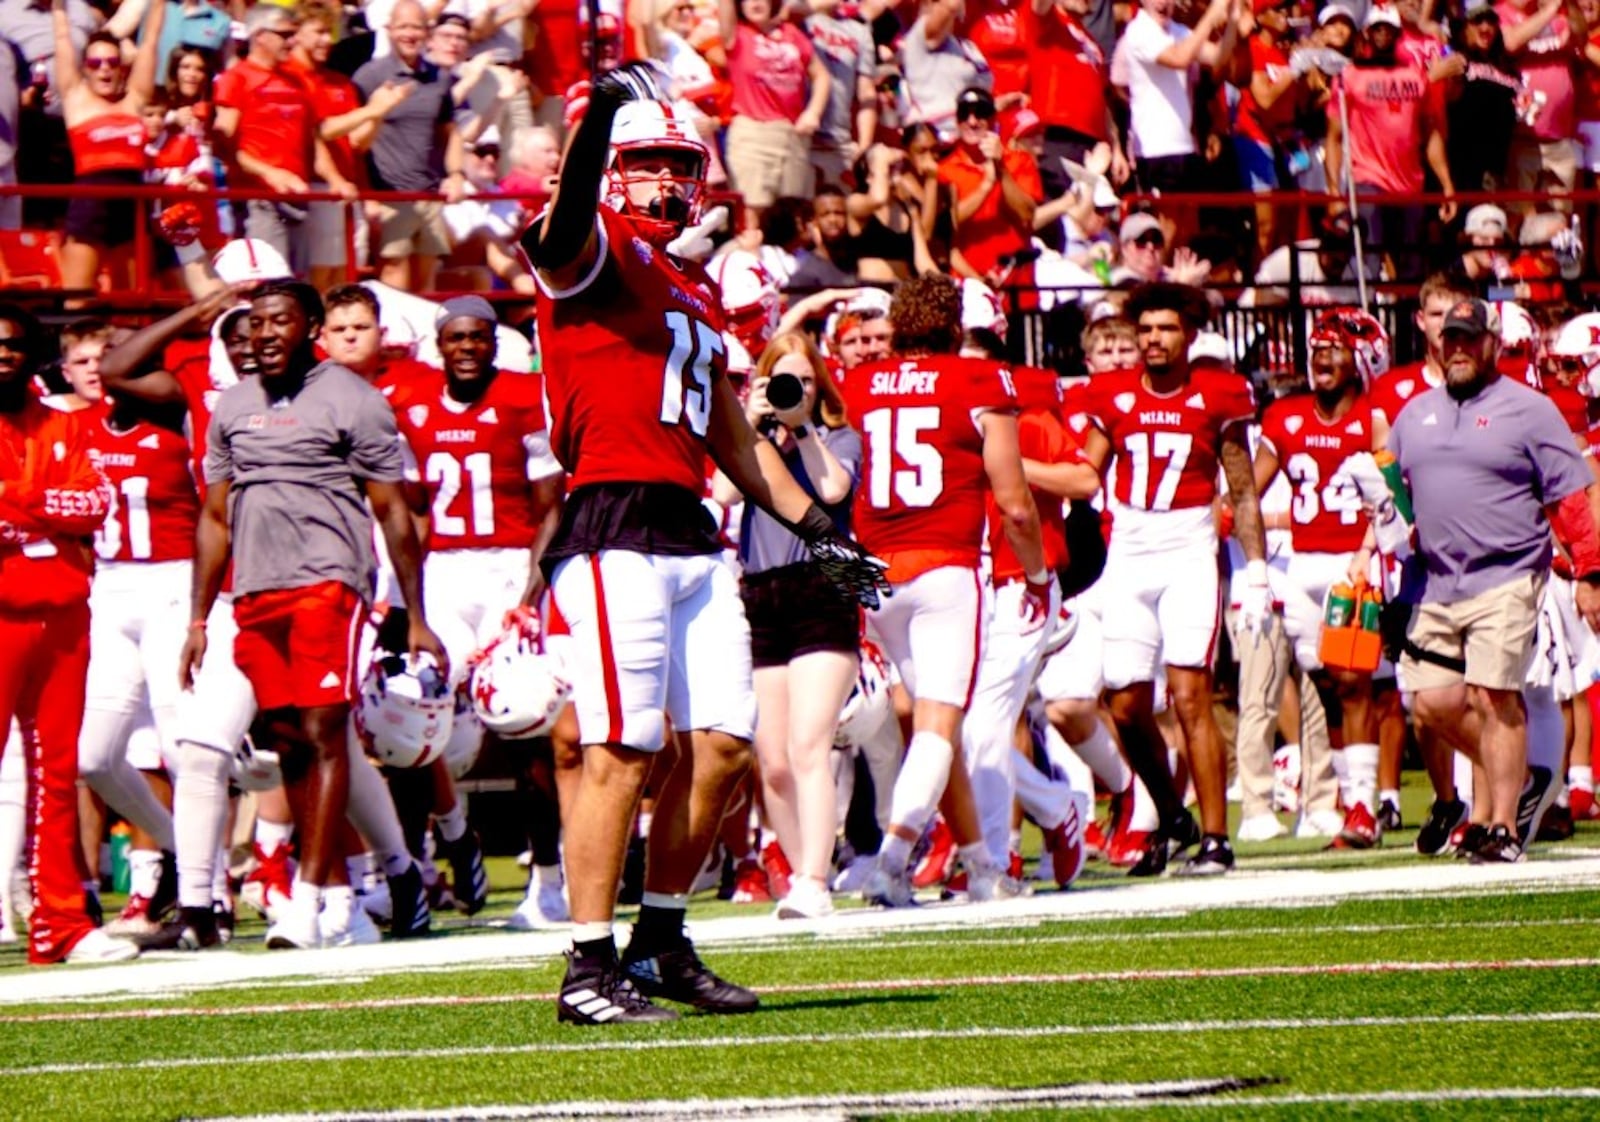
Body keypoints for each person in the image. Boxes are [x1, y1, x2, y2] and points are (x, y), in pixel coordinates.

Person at [523, 62, 886, 1024]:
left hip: (690, 528)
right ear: (608, 173)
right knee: (623, 747)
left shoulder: (690, 289)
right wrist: (598, 117)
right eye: (646, 167)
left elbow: (734, 441)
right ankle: (587, 967)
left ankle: (661, 938)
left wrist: (819, 534)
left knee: (723, 746)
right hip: (611, 523)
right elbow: (558, 226)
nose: (668, 185)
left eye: (680, 167)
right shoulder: (592, 248)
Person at [181, 281, 449, 948]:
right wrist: (195, 619)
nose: (267, 333)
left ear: (310, 329)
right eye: (258, 322)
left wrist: (416, 612)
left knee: (325, 729)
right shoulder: (233, 404)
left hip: (330, 583)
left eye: (281, 321)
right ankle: (345, 899)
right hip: (255, 591)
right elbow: (214, 519)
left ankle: (309, 898)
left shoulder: (353, 398)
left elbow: (392, 509)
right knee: (287, 741)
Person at [841, 272, 1053, 906]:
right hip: (945, 566)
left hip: (873, 572)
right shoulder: (979, 381)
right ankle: (892, 861)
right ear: (957, 325)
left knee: (937, 730)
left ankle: (981, 866)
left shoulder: (858, 383)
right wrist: (1038, 575)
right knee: (937, 724)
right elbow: (1015, 505)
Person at [1382, 297, 1600, 863]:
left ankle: (1501, 826)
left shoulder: (1530, 410)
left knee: (1494, 694)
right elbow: (1396, 494)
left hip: (1507, 574)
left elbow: (1567, 498)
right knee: (1430, 702)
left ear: (1490, 345)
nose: (1457, 348)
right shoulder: (1415, 415)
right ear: (1436, 344)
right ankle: (1522, 777)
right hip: (1435, 580)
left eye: (1467, 338)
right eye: (1449, 338)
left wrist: (1589, 569)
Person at [1073, 282, 1268, 876]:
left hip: (1187, 549)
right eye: (1146, 328)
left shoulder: (1219, 393)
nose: (1153, 339)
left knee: (1189, 696)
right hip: (1129, 549)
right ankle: (1168, 815)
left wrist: (1255, 567)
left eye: (1165, 329)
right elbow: (1087, 474)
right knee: (1126, 702)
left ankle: (1214, 837)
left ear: (1190, 335)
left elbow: (1241, 485)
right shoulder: (1110, 393)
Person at [385, 294, 563, 911]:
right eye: (455, 338)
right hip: (445, 576)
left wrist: (530, 595)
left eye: (477, 337)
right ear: (439, 344)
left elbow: (551, 509)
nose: (466, 348)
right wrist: (414, 607)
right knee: (407, 717)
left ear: (493, 342)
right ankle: (418, 869)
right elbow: (407, 511)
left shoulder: (522, 396)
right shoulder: (412, 406)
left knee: (526, 719)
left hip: (508, 567)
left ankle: (548, 879)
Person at [0, 303, 138, 965]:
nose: (3, 353)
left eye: (13, 344)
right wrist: (48, 508)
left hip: (62, 615)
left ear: (34, 354)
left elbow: (94, 502)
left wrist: (21, 501)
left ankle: (60, 922)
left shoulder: (66, 424)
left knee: (58, 771)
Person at [712, 332, 862, 920]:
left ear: (818, 385)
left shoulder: (837, 438)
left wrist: (802, 426)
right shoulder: (756, 442)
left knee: (808, 745)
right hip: (763, 593)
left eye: (801, 381)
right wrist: (747, 422)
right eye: (780, 380)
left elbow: (832, 489)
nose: (789, 391)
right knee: (772, 760)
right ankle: (802, 873)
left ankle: (816, 879)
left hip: (822, 589)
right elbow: (723, 491)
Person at [1252, 309, 1389, 848]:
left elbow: (1393, 501)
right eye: (1317, 350)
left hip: (1350, 562)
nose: (1321, 360)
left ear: (1361, 360)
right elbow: (1250, 492)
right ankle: (1338, 796)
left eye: (1334, 350)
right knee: (1325, 685)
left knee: (1354, 682)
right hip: (1303, 563)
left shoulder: (1373, 419)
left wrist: (1366, 553)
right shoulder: (1283, 417)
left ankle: (1363, 805)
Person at [353, 0, 471, 292]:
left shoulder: (440, 78)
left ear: (428, 32)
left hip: (429, 197)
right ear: (390, 30)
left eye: (417, 27)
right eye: (403, 26)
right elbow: (354, 140)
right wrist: (366, 197)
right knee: (394, 282)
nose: (410, 34)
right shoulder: (369, 76)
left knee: (426, 285)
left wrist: (456, 175)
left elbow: (450, 131)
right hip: (388, 196)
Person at [52, 0, 165, 298]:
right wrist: (58, 8)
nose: (104, 69)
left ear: (122, 69)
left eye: (112, 63)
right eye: (94, 63)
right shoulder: (76, 99)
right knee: (75, 301)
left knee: (130, 302)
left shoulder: (135, 99)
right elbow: (62, 38)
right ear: (85, 69)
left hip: (131, 204)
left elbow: (152, 38)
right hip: (91, 205)